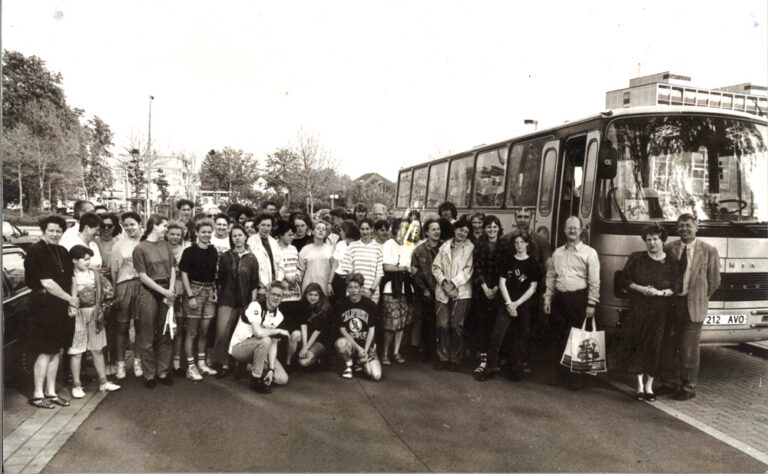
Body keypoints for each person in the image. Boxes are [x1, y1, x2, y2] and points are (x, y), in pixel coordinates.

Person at [658, 214, 721, 401]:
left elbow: (714, 280)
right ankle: (668, 382)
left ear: (696, 227)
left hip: (693, 306)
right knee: (668, 346)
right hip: (672, 304)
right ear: (676, 229)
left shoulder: (709, 251)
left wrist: (700, 296)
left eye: (688, 225)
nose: (684, 229)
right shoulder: (669, 248)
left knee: (689, 348)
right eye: (680, 226)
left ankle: (688, 387)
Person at [616, 223, 679, 401]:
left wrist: (659, 293)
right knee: (638, 344)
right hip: (639, 308)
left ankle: (649, 386)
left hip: (660, 311)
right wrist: (642, 289)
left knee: (655, 346)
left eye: (655, 239)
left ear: (662, 240)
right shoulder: (636, 258)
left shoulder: (671, 261)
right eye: (648, 239)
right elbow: (624, 280)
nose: (652, 243)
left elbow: (676, 286)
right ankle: (639, 386)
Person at [25, 216, 79, 409]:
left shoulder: (62, 251)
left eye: (58, 231)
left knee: (57, 350)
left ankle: (51, 391)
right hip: (44, 306)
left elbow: (72, 277)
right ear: (43, 231)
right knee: (44, 351)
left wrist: (72, 303)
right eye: (51, 231)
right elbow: (46, 282)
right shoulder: (36, 251)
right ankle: (38, 394)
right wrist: (70, 299)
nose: (55, 234)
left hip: (62, 306)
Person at [543, 216, 600, 390]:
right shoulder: (558, 253)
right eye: (569, 228)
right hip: (560, 299)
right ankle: (557, 374)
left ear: (581, 230)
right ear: (564, 231)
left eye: (575, 228)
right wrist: (547, 298)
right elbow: (551, 276)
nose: (572, 231)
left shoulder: (590, 253)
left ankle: (575, 378)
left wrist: (591, 304)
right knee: (557, 337)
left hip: (578, 300)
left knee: (577, 338)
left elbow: (594, 281)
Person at [67, 245, 121, 398]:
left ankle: (103, 382)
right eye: (84, 259)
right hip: (77, 315)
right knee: (77, 351)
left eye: (89, 259)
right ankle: (76, 385)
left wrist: (103, 309)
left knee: (97, 349)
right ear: (74, 260)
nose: (87, 262)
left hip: (95, 314)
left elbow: (109, 293)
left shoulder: (95, 275)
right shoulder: (69, 277)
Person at [485, 231, 540, 381]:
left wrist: (517, 303)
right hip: (507, 303)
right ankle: (490, 367)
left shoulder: (533, 263)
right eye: (516, 243)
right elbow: (502, 283)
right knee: (497, 335)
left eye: (522, 242)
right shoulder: (507, 260)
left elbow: (532, 288)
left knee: (520, 338)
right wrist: (509, 303)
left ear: (527, 244)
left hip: (523, 304)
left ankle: (515, 368)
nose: (519, 245)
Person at [133, 214, 177, 388]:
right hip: (149, 292)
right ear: (154, 226)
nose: (166, 229)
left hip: (167, 290)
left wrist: (171, 290)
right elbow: (142, 276)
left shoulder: (166, 245)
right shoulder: (140, 248)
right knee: (147, 334)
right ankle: (149, 374)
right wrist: (164, 291)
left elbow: (172, 268)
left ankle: (163, 371)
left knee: (166, 332)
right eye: (164, 226)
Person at [213, 224, 260, 378]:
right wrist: (220, 297)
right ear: (231, 238)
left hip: (245, 302)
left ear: (245, 236)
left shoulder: (252, 258)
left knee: (240, 335)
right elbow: (220, 281)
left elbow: (254, 283)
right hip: (226, 300)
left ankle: (238, 365)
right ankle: (224, 364)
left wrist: (252, 305)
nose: (237, 238)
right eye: (234, 236)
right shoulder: (226, 256)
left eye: (240, 235)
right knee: (222, 333)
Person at [229, 281, 291, 394]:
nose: (276, 298)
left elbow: (273, 344)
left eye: (279, 295)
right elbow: (258, 333)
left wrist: (271, 369)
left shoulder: (279, 317)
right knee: (265, 340)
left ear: (283, 298)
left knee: (282, 379)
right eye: (273, 294)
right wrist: (278, 330)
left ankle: (247, 366)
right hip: (239, 348)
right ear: (267, 294)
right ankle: (255, 380)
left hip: (261, 349)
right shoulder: (255, 305)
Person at [432, 217, 474, 371]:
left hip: (461, 291)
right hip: (443, 290)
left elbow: (468, 270)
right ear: (455, 230)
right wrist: (443, 282)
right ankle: (443, 357)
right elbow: (436, 267)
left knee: (457, 326)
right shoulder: (445, 246)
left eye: (466, 232)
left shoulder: (470, 248)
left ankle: (456, 359)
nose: (462, 233)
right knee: (442, 325)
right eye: (460, 230)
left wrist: (454, 283)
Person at [179, 218, 219, 380]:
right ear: (196, 232)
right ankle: (190, 366)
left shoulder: (213, 251)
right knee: (192, 332)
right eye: (203, 232)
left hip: (209, 291)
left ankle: (201, 364)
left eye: (209, 232)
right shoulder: (189, 251)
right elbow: (184, 274)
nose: (206, 235)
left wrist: (214, 290)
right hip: (194, 291)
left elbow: (213, 273)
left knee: (204, 331)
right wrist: (190, 295)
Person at [379, 218, 417, 365]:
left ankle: (396, 352)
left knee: (401, 323)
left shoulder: (409, 245)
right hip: (391, 288)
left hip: (406, 288)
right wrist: (403, 269)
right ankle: (384, 353)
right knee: (390, 324)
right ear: (395, 229)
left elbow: (411, 266)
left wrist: (412, 270)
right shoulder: (388, 244)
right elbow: (387, 267)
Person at [469, 215, 503, 379]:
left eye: (495, 227)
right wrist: (485, 287)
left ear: (499, 228)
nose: (492, 230)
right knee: (482, 326)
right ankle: (482, 361)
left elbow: (503, 269)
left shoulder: (504, 245)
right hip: (481, 291)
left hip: (498, 291)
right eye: (489, 227)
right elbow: (476, 267)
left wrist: (495, 288)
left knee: (494, 327)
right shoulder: (478, 245)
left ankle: (492, 361)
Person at [111, 212, 143, 379]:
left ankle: (138, 361)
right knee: (122, 327)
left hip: (143, 286)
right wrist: (116, 291)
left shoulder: (147, 242)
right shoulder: (118, 245)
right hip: (124, 285)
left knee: (140, 327)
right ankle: (120, 364)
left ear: (139, 223)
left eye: (132, 224)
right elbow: (114, 270)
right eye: (126, 225)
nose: (130, 228)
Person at [334, 273, 382, 381]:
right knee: (340, 343)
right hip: (351, 344)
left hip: (366, 345)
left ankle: (360, 363)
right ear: (347, 289)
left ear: (361, 288)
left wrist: (364, 350)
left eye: (356, 287)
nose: (353, 290)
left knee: (375, 375)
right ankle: (349, 364)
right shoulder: (340, 304)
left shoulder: (370, 305)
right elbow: (342, 329)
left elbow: (371, 329)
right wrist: (358, 348)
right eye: (350, 287)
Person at [411, 218, 442, 361]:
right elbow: (415, 273)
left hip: (442, 291)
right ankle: (426, 352)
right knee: (427, 322)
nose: (437, 232)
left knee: (440, 322)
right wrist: (424, 289)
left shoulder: (445, 247)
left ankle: (439, 352)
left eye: (438, 229)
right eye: (433, 229)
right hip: (426, 292)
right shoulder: (419, 250)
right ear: (427, 232)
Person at [96, 212, 121, 375]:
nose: (106, 229)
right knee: (100, 325)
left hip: (114, 285)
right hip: (97, 287)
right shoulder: (94, 242)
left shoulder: (118, 242)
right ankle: (102, 361)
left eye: (109, 226)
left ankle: (114, 360)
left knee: (114, 326)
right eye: (103, 226)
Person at [274, 220, 302, 367]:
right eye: (289, 235)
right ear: (281, 234)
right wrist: (285, 281)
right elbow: (278, 269)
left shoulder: (293, 249)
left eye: (293, 235)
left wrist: (297, 275)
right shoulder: (275, 248)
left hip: (295, 294)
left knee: (294, 330)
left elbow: (296, 266)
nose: (292, 237)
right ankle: (277, 359)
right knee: (281, 329)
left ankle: (289, 362)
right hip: (282, 294)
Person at [290, 283, 334, 369]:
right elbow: (303, 326)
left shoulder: (325, 308)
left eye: (316, 295)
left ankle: (320, 359)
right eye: (310, 294)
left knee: (303, 362)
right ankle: (288, 363)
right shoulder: (302, 305)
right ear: (305, 295)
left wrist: (306, 348)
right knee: (295, 334)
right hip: (308, 335)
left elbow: (317, 331)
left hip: (321, 339)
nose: (313, 297)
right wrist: (304, 346)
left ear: (320, 296)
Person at [340, 218, 383, 303]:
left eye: (367, 229)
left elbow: (379, 273)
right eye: (362, 229)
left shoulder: (378, 247)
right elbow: (349, 271)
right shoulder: (352, 246)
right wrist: (356, 289)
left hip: (372, 292)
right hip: (354, 292)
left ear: (372, 229)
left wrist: (371, 291)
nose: (365, 232)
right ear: (359, 230)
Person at [166, 221, 189, 375]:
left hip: (179, 290)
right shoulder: (160, 249)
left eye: (178, 234)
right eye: (172, 234)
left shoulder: (185, 251)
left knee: (178, 328)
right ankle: (163, 363)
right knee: (163, 328)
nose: (175, 237)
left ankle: (176, 362)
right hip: (163, 289)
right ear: (166, 234)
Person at [247, 213, 284, 295]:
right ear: (257, 225)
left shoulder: (274, 242)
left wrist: (278, 281)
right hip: (260, 286)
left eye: (268, 225)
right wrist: (265, 283)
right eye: (263, 225)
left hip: (275, 284)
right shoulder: (250, 242)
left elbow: (281, 264)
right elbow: (254, 266)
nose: (266, 228)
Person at [298, 220, 335, 295]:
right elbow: (300, 270)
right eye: (318, 228)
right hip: (308, 285)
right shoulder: (305, 249)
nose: (321, 231)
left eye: (323, 229)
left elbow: (333, 269)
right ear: (313, 232)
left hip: (325, 285)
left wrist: (330, 284)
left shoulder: (330, 249)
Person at [330, 220, 360, 304]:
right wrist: (329, 283)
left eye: (341, 230)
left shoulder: (358, 245)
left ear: (347, 231)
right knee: (336, 303)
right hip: (337, 278)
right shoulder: (340, 244)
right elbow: (335, 264)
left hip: (351, 280)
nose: (340, 233)